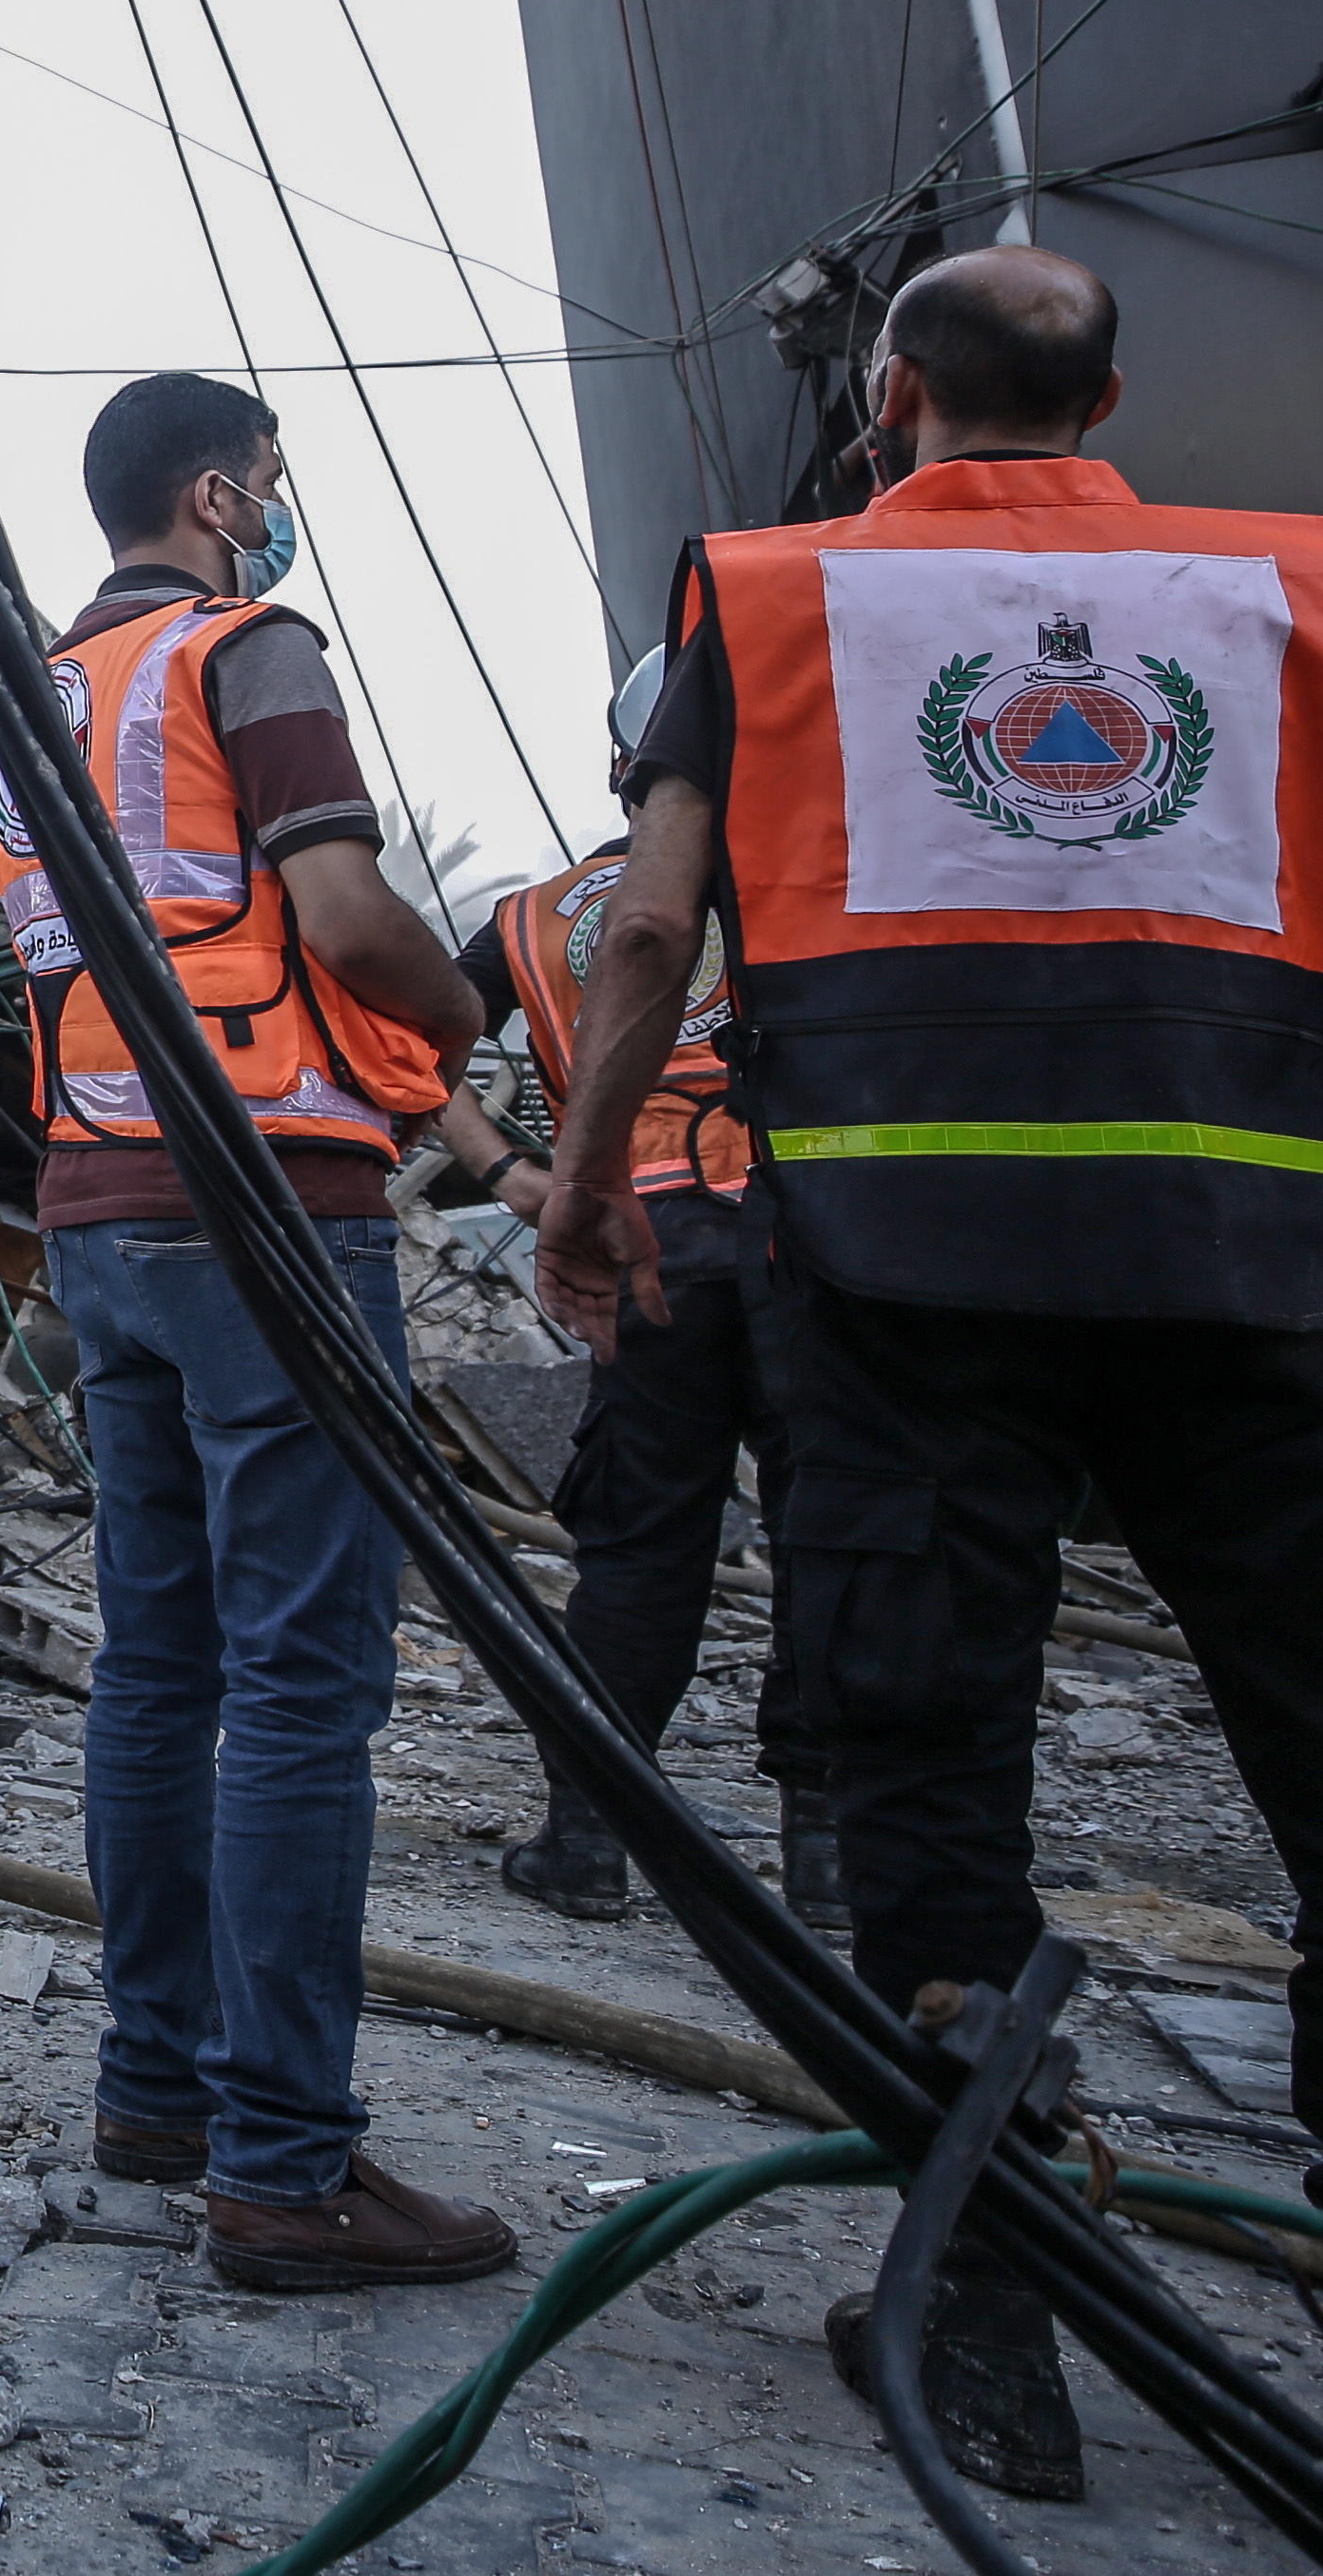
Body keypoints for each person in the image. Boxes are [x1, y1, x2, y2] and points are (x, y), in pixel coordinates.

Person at [536, 243, 1323, 2533]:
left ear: (886, 399)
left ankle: (990, 2326)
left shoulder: (774, 597)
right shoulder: (1286, 591)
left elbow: (646, 923)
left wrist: (585, 1184)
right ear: (1109, 399)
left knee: (931, 1779)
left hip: (902, 1285)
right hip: (1256, 1274)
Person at [0, 372, 512, 2290]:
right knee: (300, 1683)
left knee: (160, 1663)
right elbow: (346, 916)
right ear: (216, 495)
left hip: (97, 1203)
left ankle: (155, 2093)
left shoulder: (29, 694)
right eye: (270, 482)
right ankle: (284, 2164)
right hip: (270, 1199)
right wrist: (459, 1019)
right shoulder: (245, 651)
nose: (278, 513)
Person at [434, 651, 836, 1932]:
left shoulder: (532, 919)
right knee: (834, 1535)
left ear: (628, 764)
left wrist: (510, 1174)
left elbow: (407, 1046)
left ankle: (590, 1839)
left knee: (641, 1551)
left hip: (638, 1253)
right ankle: (830, 1848)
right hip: (805, 1247)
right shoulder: (796, 889)